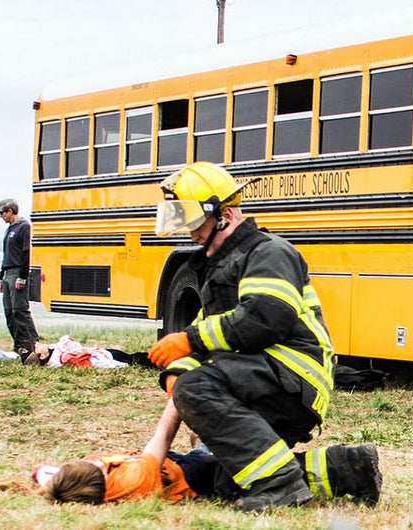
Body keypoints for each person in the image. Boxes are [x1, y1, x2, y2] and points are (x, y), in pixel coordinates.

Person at [146, 162, 382, 511]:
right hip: (267, 379)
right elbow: (211, 334)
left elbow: (265, 319)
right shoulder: (221, 268)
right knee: (233, 479)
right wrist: (175, 380)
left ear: (224, 215)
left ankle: (280, 484)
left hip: (293, 376)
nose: (190, 232)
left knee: (197, 388)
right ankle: (348, 469)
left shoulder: (267, 252)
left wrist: (190, 345)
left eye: (194, 221)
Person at [39, 399, 380, 506]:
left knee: (239, 455)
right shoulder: (131, 479)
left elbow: (47, 473)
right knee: (267, 472)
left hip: (194, 465)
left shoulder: (94, 481)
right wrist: (179, 399)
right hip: (201, 473)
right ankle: (351, 465)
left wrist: (46, 482)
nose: (92, 461)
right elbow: (161, 437)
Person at [0, 198, 41, 364]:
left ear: (10, 211)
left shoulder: (24, 227)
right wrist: (1, 276)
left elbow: (26, 253)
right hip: (7, 273)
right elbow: (6, 255)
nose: (1, 216)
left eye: (2, 212)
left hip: (17, 272)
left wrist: (23, 276)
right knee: (9, 312)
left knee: (20, 311)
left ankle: (33, 344)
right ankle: (19, 345)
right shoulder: (9, 230)